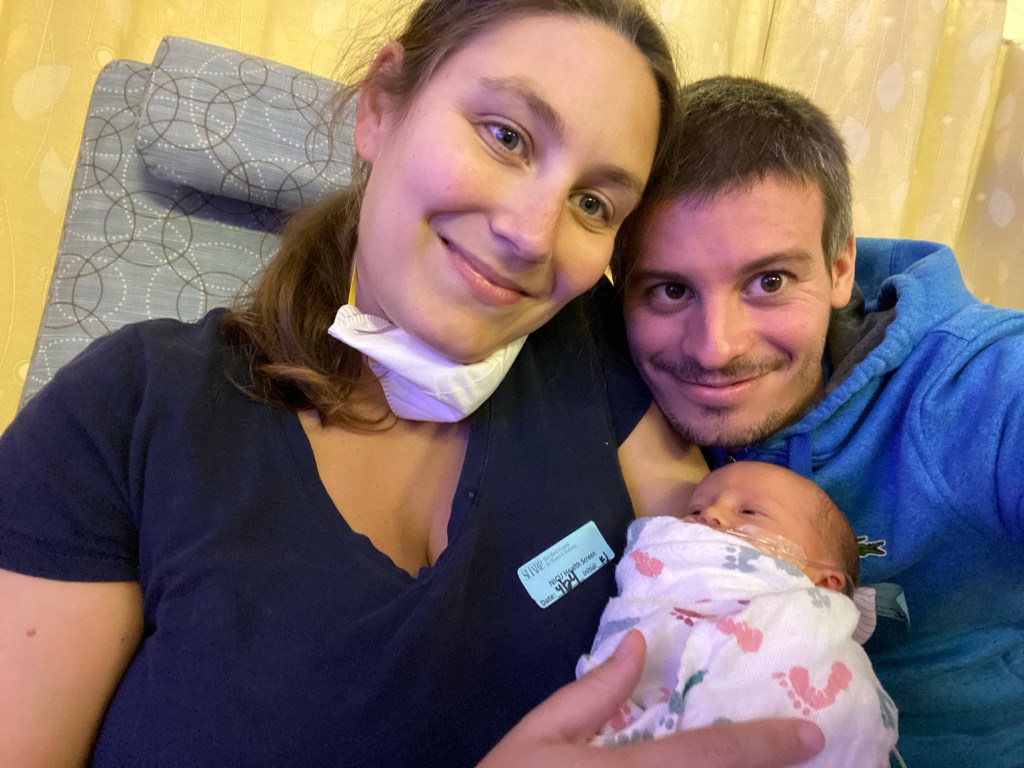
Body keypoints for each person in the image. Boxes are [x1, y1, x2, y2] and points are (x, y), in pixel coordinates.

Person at [0, 4, 832, 767]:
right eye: (506, 136)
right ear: (381, 105)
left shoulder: (590, 345)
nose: (530, 235)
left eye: (592, 202)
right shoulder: (132, 411)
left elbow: (742, 592)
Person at [616, 74, 1024, 767]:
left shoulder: (972, 387)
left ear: (840, 268)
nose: (716, 349)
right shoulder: (605, 379)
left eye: (769, 282)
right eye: (670, 289)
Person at [578, 461, 897, 767]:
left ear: (825, 586)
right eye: (695, 511)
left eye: (749, 512)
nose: (709, 514)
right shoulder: (669, 567)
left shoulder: (805, 629)